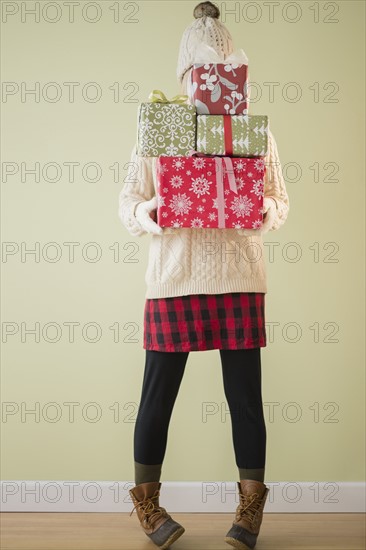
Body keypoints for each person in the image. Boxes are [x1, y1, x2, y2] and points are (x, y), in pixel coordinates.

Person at [118, 2, 290, 549]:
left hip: (239, 273)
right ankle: (147, 505)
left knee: (246, 398)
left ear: (233, 75)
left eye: (218, 73)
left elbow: (279, 199)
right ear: (185, 76)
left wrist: (260, 209)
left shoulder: (253, 132)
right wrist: (153, 212)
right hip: (173, 275)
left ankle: (250, 509)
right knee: (156, 396)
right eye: (197, 74)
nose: (206, 83)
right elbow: (128, 201)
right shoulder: (158, 129)